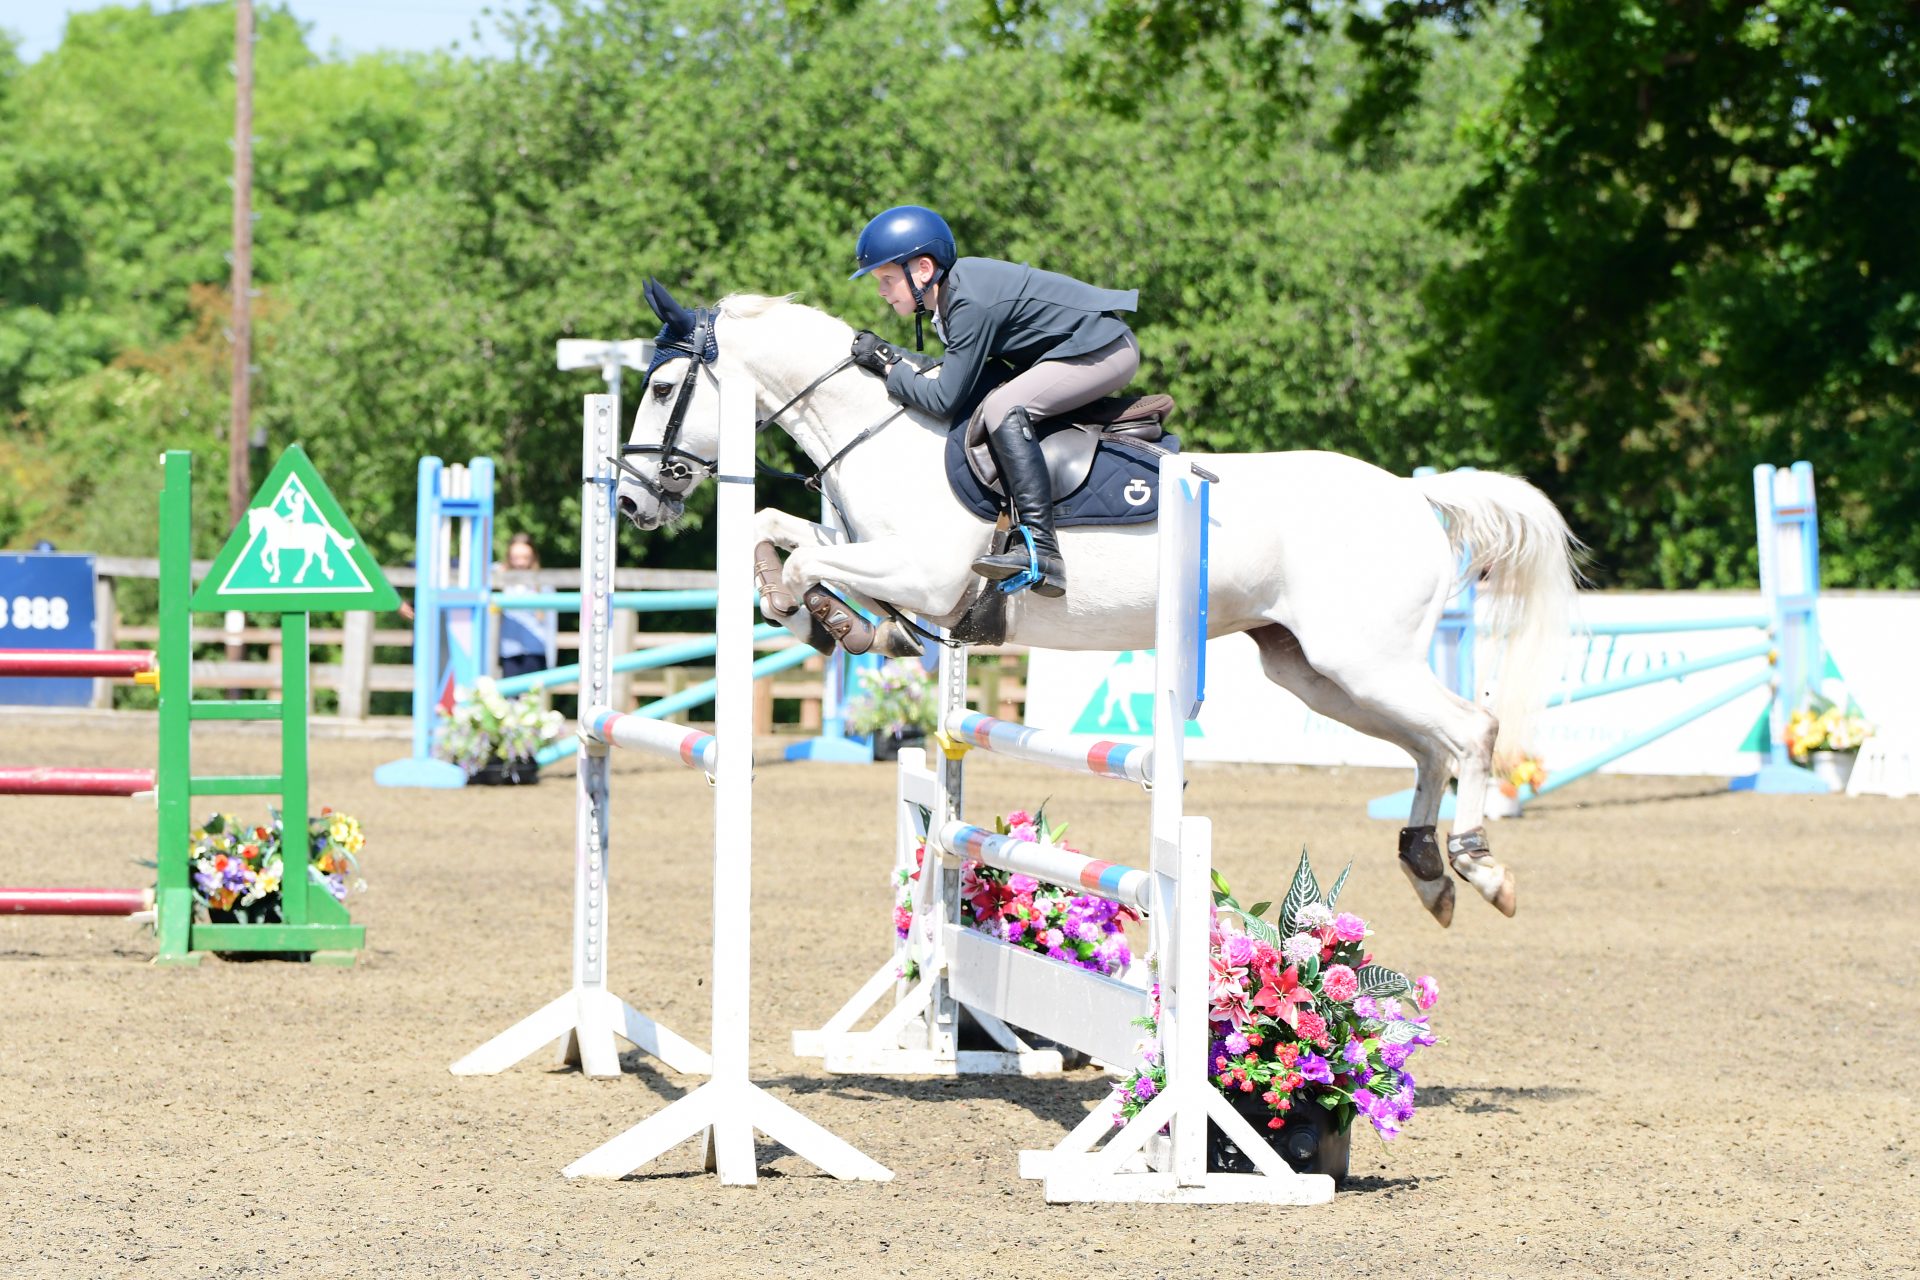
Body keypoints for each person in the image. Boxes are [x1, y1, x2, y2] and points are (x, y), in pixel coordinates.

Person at [847, 205, 1140, 599]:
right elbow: (950, 376)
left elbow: (943, 400)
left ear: (922, 270)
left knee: (1004, 407)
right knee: (995, 397)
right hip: (1076, 351)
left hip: (1103, 351)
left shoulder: (968, 302)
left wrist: (888, 367)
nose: (881, 291)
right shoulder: (954, 294)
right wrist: (893, 359)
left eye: (886, 278)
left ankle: (1041, 550)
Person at [496, 533, 556, 680]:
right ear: (509, 558)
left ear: (533, 557)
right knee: (509, 698)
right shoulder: (502, 579)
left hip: (535, 650)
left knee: (531, 700)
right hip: (509, 650)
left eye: (525, 557)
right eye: (516, 558)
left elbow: (551, 623)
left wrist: (551, 659)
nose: (521, 563)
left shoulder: (543, 583)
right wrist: (499, 574)